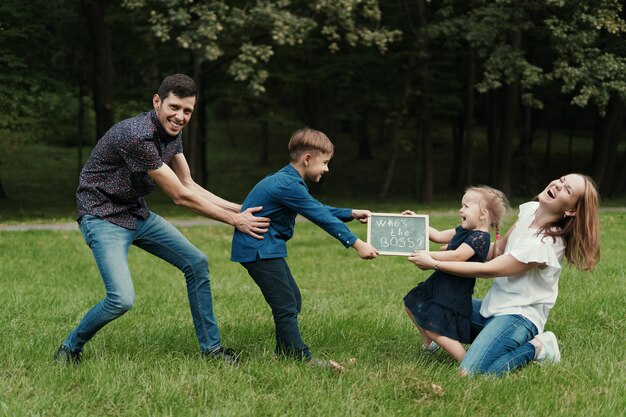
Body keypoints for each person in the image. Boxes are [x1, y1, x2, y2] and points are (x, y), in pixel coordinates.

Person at [54, 74, 270, 366]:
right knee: (121, 299)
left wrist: (239, 208)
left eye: (187, 111)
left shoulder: (172, 133)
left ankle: (213, 350)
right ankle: (69, 348)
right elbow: (180, 197)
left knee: (196, 263)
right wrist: (236, 221)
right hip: (102, 216)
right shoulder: (137, 135)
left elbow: (189, 184)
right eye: (174, 107)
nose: (180, 117)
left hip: (134, 211)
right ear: (157, 102)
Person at [409, 174, 600, 376]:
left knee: (470, 372)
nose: (558, 185)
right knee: (426, 302)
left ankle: (538, 347)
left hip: (519, 317)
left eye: (567, 190)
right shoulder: (530, 213)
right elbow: (498, 250)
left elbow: (488, 269)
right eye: (561, 180)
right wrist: (467, 248)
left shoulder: (545, 245)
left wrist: (436, 264)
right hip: (492, 307)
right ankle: (487, 342)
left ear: (570, 210)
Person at [230, 127, 378, 367]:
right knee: (286, 303)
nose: (327, 169)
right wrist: (356, 243)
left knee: (292, 300)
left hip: (265, 248)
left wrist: (349, 213)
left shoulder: (288, 181)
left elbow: (314, 207)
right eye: (325, 162)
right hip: (258, 249)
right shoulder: (288, 184)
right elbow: (319, 215)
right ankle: (299, 356)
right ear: (307, 159)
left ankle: (284, 351)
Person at [402, 186, 507, 362]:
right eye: (462, 205)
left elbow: (458, 256)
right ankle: (429, 343)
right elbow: (437, 235)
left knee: (435, 328)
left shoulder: (480, 238)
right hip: (441, 282)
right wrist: (416, 222)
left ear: (483, 214)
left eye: (466, 206)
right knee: (411, 303)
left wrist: (429, 256)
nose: (461, 210)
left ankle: (467, 361)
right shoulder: (464, 231)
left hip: (454, 289)